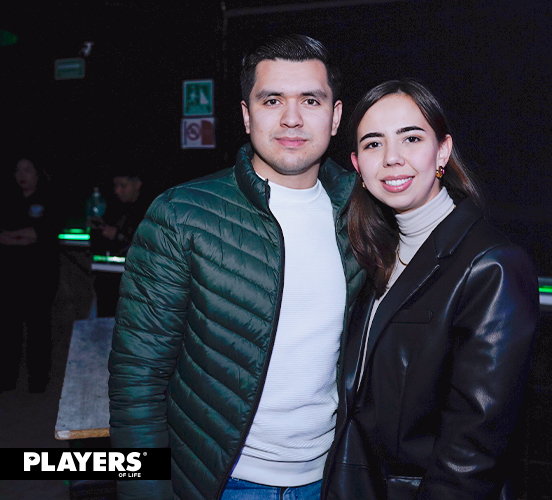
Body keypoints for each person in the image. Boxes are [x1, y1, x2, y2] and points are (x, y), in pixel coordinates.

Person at [108, 34, 365, 500]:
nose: (292, 118)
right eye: (272, 100)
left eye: (311, 100)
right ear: (247, 116)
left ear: (335, 116)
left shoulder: (364, 215)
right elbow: (137, 380)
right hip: (224, 482)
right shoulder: (182, 215)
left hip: (333, 478)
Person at [321, 79, 539, 500]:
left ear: (442, 151)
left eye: (411, 138)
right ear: (357, 166)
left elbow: (474, 448)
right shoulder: (371, 255)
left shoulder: (492, 264)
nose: (392, 158)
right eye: (373, 144)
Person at [0, 156, 60, 393]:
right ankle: (7, 379)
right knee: (9, 328)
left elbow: (39, 233)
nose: (22, 175)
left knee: (39, 328)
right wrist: (21, 237)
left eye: (27, 170)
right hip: (10, 276)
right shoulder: (8, 200)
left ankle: (38, 381)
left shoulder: (49, 200)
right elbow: (5, 234)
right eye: (18, 170)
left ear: (37, 173)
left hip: (40, 276)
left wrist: (17, 236)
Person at [91, 171, 149, 317]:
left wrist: (118, 235)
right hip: (109, 279)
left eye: (123, 185)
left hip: (137, 285)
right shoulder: (112, 207)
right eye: (115, 186)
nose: (117, 190)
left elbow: (147, 245)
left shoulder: (151, 210)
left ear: (137, 184)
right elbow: (98, 243)